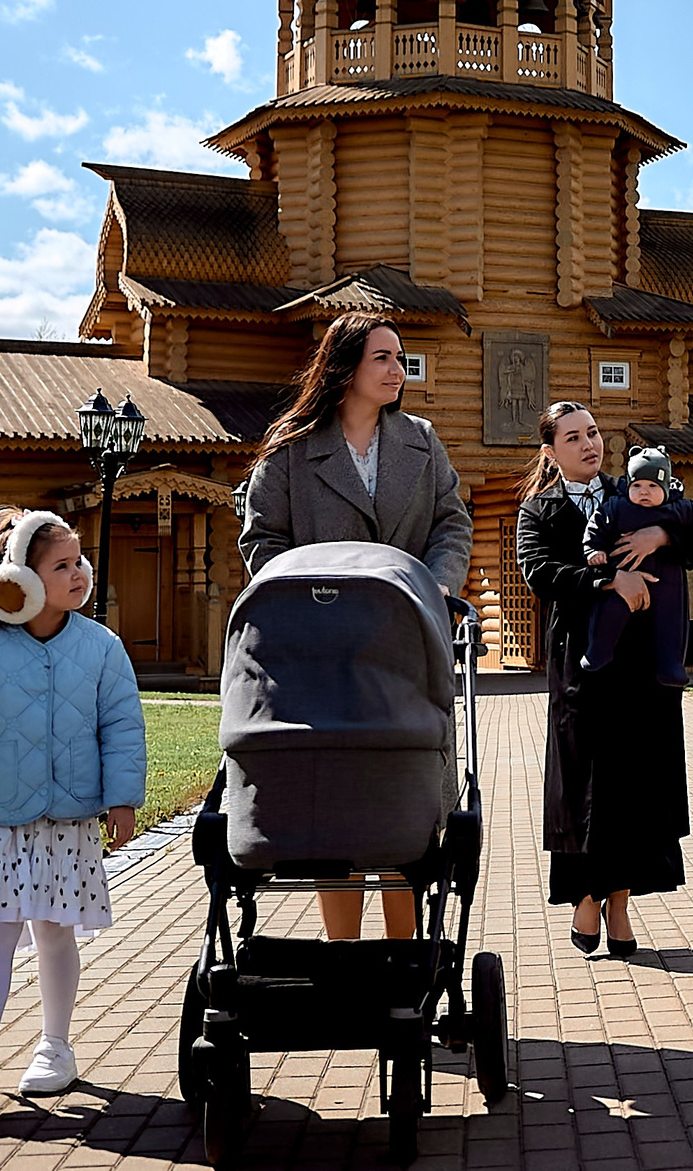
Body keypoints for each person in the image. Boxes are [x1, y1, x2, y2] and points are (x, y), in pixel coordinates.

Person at [239, 313, 471, 942]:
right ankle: (342, 952)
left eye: (400, 357)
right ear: (345, 367)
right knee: (334, 805)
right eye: (383, 358)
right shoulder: (290, 450)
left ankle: (404, 955)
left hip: (405, 647)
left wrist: (435, 584)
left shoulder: (421, 442)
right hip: (319, 656)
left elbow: (451, 522)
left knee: (401, 802)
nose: (398, 370)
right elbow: (262, 540)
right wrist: (309, 595)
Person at [0, 507, 146, 1117]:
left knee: (54, 932)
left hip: (69, 823)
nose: (79, 574)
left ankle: (56, 1048)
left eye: (80, 562)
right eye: (62, 565)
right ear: (19, 579)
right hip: (0, 824)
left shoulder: (102, 649)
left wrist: (123, 799)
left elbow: (122, 727)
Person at [518, 403, 693, 957]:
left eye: (593, 433)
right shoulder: (539, 509)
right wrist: (608, 580)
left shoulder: (635, 490)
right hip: (581, 667)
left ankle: (618, 902)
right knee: (586, 787)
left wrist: (659, 537)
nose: (589, 444)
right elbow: (540, 573)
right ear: (551, 452)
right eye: (573, 437)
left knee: (635, 786)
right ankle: (587, 896)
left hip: (643, 664)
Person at [580, 445, 693, 686]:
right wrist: (593, 549)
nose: (644, 492)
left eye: (652, 486)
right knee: (610, 612)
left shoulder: (679, 508)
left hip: (667, 582)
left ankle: (671, 666)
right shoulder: (617, 506)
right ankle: (599, 650)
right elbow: (597, 526)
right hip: (624, 576)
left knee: (670, 624)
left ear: (666, 487)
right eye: (637, 485)